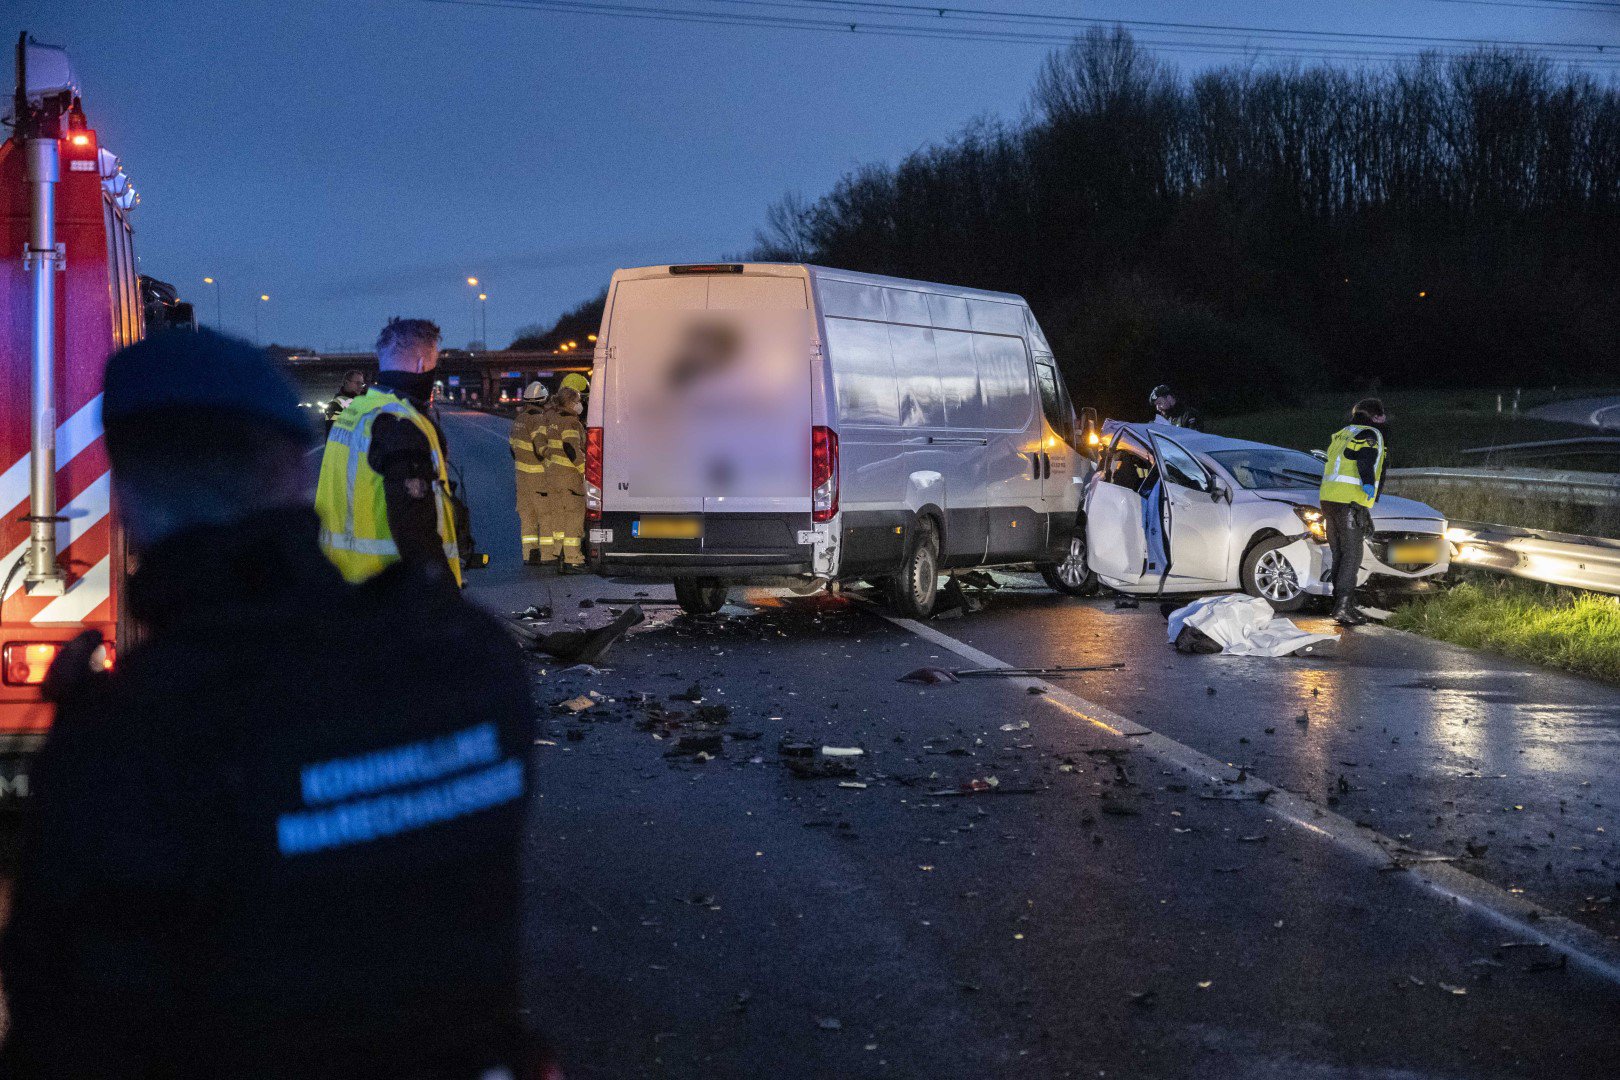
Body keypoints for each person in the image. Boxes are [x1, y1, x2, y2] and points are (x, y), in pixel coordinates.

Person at [0, 330, 549, 1078]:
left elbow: (69, 1025)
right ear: (295, 473)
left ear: (124, 500)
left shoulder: (131, 740)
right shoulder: (470, 665)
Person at [316, 318, 462, 586]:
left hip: (341, 585)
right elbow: (414, 527)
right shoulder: (401, 424)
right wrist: (445, 599)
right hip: (392, 593)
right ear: (422, 365)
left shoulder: (356, 413)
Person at [1318, 397, 1388, 626]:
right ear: (1376, 416)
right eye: (1382, 415)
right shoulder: (1369, 434)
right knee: (1352, 554)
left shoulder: (1342, 433)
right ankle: (1343, 607)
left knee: (1339, 553)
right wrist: (1368, 484)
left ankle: (1340, 603)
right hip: (1350, 501)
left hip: (1329, 499)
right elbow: (1364, 461)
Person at [535, 385, 587, 574]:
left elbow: (539, 443)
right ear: (571, 403)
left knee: (558, 516)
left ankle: (559, 554)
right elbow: (571, 449)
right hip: (569, 477)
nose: (580, 405)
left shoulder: (550, 418)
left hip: (552, 476)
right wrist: (586, 472)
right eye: (578, 401)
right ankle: (573, 559)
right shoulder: (571, 422)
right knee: (573, 516)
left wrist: (548, 455)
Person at [510, 381, 551, 565]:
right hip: (539, 477)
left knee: (527, 517)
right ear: (543, 400)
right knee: (545, 515)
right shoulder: (539, 420)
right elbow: (541, 449)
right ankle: (547, 555)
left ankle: (529, 554)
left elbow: (512, 449)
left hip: (522, 478)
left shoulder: (519, 420)